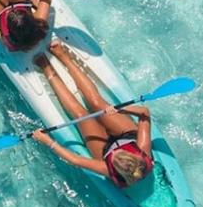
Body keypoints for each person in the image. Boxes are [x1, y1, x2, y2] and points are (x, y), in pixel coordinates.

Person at [32, 40, 154, 187]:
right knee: (96, 102)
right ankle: (64, 56)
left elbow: (75, 160)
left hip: (103, 150)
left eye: (114, 155)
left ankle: (47, 68)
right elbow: (144, 113)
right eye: (120, 152)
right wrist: (119, 109)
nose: (116, 151)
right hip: (128, 135)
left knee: (80, 115)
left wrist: (47, 141)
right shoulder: (143, 151)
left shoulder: (108, 169)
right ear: (134, 155)